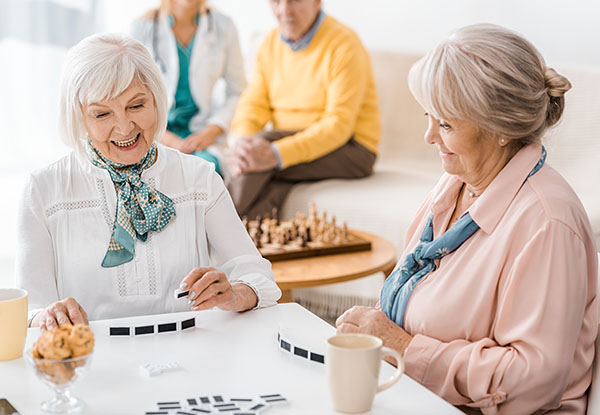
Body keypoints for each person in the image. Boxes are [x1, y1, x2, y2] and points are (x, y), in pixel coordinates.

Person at [335, 24, 598, 414]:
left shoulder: (548, 224)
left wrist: (405, 348)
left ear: (501, 129)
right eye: (429, 116)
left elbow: (532, 382)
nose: (428, 137)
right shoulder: (454, 184)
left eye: (444, 124)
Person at [16, 33, 280, 331]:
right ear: (78, 117)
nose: (125, 127)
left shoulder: (199, 178)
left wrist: (235, 293)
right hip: (91, 365)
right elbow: (29, 309)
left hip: (192, 359)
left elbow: (257, 277)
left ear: (156, 100)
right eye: (102, 113)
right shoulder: (43, 190)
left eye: (136, 106)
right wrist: (45, 316)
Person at [226, 0, 381, 219]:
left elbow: (338, 125)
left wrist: (276, 154)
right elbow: (253, 103)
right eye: (276, 2)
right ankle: (252, 248)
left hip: (352, 149)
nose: (284, 11)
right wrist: (242, 141)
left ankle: (208, 227)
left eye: (295, 1)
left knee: (261, 148)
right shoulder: (270, 43)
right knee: (259, 163)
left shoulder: (344, 43)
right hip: (296, 141)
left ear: (317, 2)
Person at [130, 0, 246, 174]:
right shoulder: (143, 27)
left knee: (205, 171)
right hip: (154, 132)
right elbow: (130, 96)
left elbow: (237, 92)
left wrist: (212, 131)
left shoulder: (223, 26)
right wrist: (167, 139)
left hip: (202, 135)